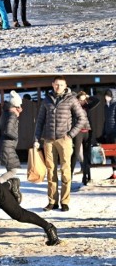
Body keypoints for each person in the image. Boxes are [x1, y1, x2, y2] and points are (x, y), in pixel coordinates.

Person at [33, 76, 87, 212]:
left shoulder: (71, 99)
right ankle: (52, 201)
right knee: (51, 171)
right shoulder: (46, 100)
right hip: (48, 140)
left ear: (65, 85)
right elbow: (40, 121)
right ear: (52, 85)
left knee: (65, 170)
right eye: (56, 84)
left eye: (61, 85)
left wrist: (70, 135)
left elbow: (82, 118)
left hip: (64, 139)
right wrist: (36, 139)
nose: (58, 87)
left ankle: (64, 201)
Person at [0, 90, 22, 184]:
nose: (20, 108)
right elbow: (8, 130)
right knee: (13, 170)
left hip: (5, 145)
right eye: (19, 106)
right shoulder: (12, 115)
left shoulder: (5, 114)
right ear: (15, 106)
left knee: (10, 169)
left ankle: (6, 186)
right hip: (8, 146)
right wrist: (16, 137)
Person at [75, 91, 100, 185]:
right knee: (78, 154)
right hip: (78, 132)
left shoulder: (87, 106)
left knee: (87, 155)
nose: (82, 101)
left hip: (87, 132)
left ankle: (87, 176)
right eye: (80, 99)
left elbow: (97, 100)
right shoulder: (75, 107)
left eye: (83, 99)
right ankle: (82, 170)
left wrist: (88, 96)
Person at [101, 89, 116, 180]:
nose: (107, 97)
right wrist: (104, 133)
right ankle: (114, 173)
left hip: (115, 132)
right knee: (111, 155)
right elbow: (105, 121)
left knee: (115, 153)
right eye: (106, 95)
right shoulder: (106, 106)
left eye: (109, 95)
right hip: (108, 132)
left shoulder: (115, 105)